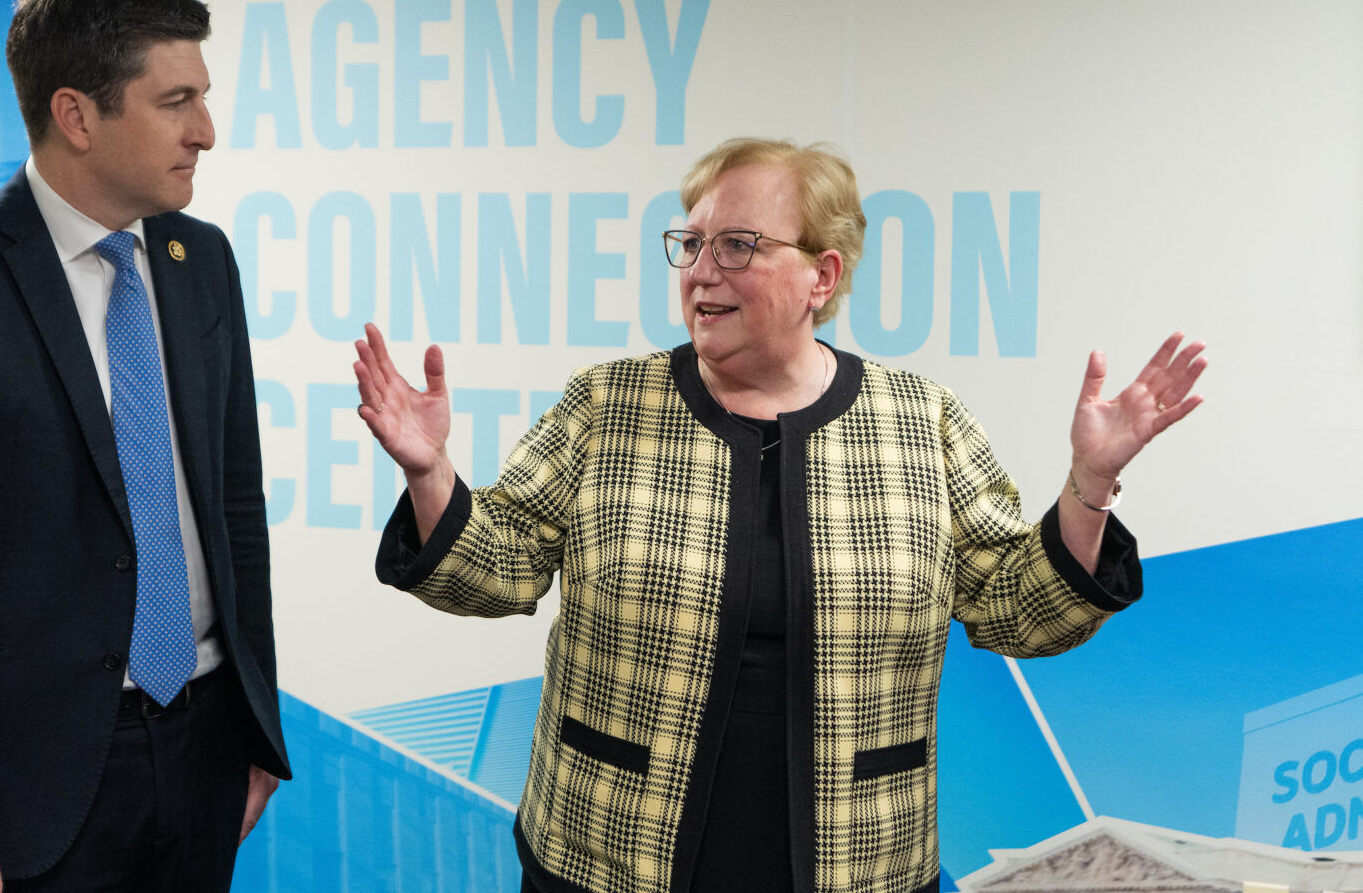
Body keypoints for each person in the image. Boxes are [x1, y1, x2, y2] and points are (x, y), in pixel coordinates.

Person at [354, 137, 1205, 893]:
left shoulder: (924, 422)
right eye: (689, 245)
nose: (700, 270)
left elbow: (1022, 612)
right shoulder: (608, 405)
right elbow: (494, 573)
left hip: (858, 859)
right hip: (608, 851)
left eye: (736, 246)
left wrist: (1089, 482)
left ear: (821, 276)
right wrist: (431, 474)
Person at [0, 0, 290, 893]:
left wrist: (257, 729)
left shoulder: (200, 260)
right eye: (176, 103)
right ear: (78, 115)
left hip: (205, 744)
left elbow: (233, 507)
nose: (205, 131)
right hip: (33, 787)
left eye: (202, 99)